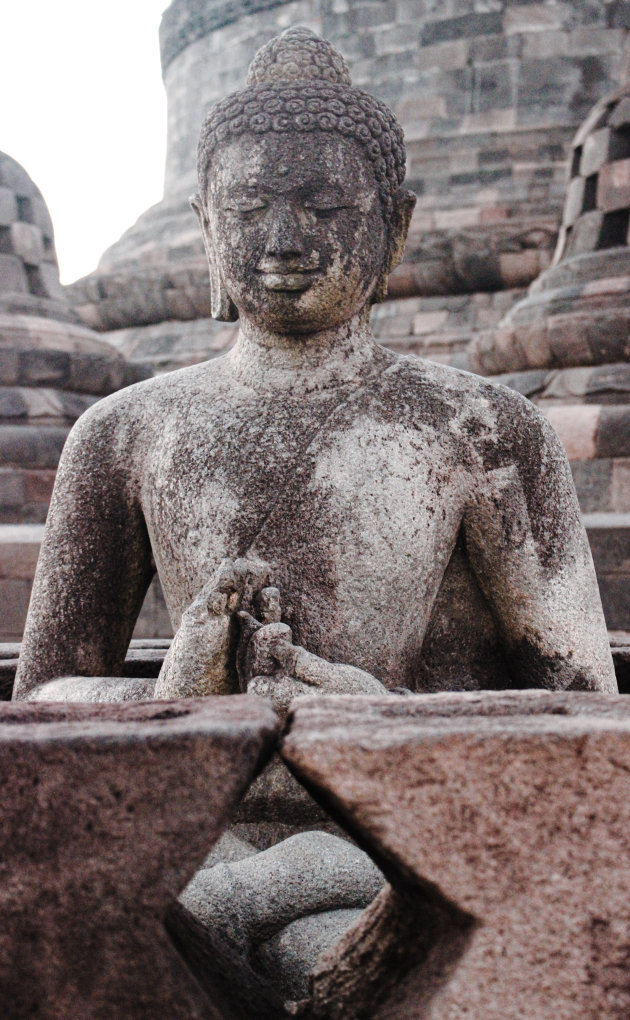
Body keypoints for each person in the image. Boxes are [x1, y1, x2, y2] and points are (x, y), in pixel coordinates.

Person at [13, 28, 615, 704]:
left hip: (406, 801)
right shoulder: (121, 434)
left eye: (324, 208)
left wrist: (381, 716)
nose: (282, 243)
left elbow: (585, 702)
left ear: (395, 228)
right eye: (246, 210)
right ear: (207, 227)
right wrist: (167, 700)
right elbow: (39, 702)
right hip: (199, 804)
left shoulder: (485, 429)